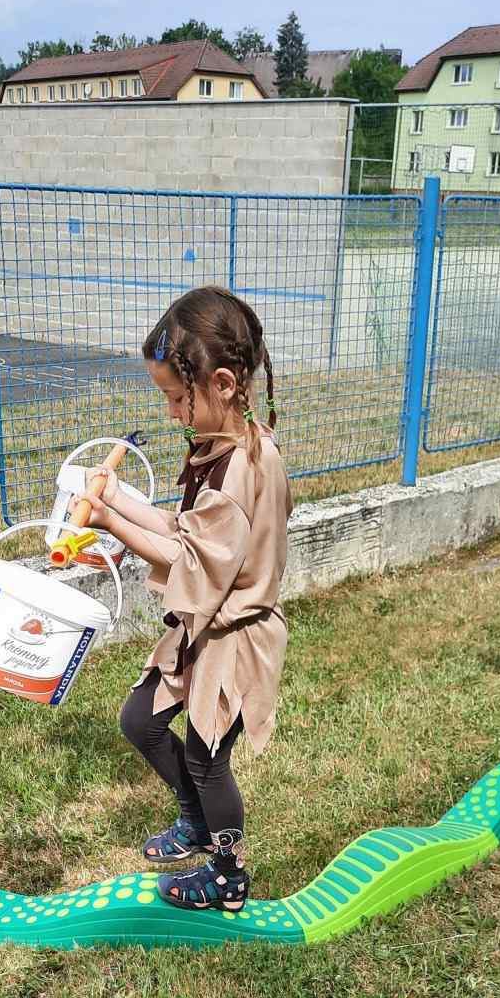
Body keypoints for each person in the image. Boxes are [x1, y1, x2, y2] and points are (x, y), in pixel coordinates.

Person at [82, 286, 290, 911]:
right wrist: (117, 498)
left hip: (234, 640)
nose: (173, 412)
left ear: (222, 384)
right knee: (140, 721)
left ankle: (228, 876)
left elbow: (185, 558)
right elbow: (184, 529)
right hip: (205, 626)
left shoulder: (240, 471)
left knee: (206, 759)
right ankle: (196, 822)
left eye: (177, 397)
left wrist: (109, 523)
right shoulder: (226, 447)